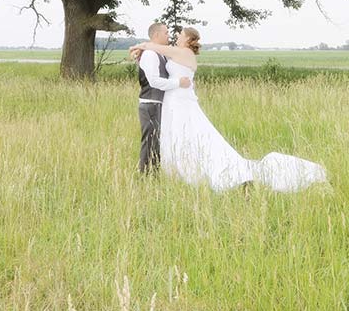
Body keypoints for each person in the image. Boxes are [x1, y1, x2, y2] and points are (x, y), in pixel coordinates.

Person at [130, 27, 327, 192]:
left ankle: (195, 171)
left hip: (181, 101)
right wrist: (141, 52)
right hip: (173, 101)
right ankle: (176, 171)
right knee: (176, 137)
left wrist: (140, 46)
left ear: (188, 39)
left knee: (191, 134)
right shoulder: (175, 51)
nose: (176, 36)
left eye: (180, 34)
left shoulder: (184, 53)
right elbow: (156, 52)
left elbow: (154, 47)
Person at [137, 22, 192, 175]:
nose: (169, 35)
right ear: (156, 35)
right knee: (150, 142)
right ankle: (146, 176)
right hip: (150, 105)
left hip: (159, 104)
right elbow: (154, 81)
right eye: (166, 33)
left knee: (158, 142)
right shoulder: (150, 55)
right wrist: (178, 83)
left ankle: (155, 174)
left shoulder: (159, 53)